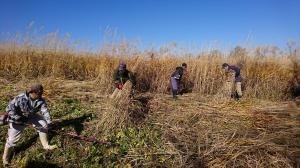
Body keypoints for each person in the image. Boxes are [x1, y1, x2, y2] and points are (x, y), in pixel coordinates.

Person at [2, 84, 57, 166]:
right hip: (17, 119)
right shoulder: (20, 98)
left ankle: (45, 145)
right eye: (39, 93)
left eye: (41, 93)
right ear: (32, 92)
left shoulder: (40, 100)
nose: (41, 95)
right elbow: (9, 109)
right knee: (12, 141)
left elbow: (45, 111)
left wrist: (50, 122)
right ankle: (5, 159)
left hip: (31, 116)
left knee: (43, 124)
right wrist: (19, 118)